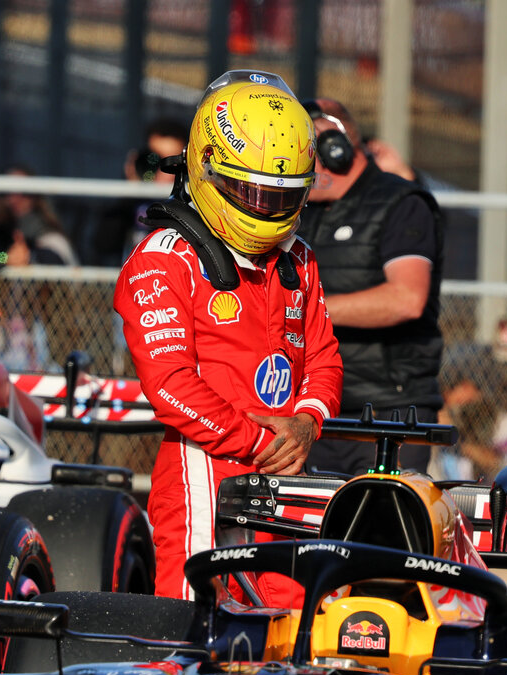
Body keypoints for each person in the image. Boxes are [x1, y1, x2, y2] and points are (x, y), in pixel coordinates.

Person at [113, 70, 342, 600]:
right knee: (199, 644)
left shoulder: (298, 261)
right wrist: (262, 442)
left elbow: (325, 359)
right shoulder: (163, 261)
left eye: (279, 195)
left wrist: (305, 425)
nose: (264, 207)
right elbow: (170, 385)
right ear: (208, 168)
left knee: (299, 639)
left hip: (290, 479)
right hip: (203, 480)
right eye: (251, 191)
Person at [295, 98, 444, 475]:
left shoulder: (401, 203)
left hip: (389, 415)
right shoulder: (300, 211)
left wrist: (306, 308)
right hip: (314, 409)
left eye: (302, 151)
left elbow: (406, 299)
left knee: (379, 532)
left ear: (336, 148)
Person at [93, 116, 191, 265]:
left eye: (171, 162)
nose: (161, 170)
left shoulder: (192, 204)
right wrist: (132, 189)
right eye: (155, 159)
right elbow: (104, 243)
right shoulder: (133, 202)